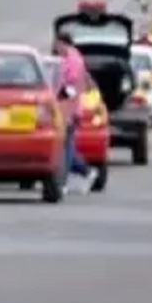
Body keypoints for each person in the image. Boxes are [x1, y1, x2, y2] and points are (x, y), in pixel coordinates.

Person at [52, 33, 98, 194]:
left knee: (66, 148)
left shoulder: (73, 60)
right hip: (67, 108)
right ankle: (86, 172)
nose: (56, 48)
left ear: (64, 43)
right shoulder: (71, 59)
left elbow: (70, 87)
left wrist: (60, 100)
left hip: (69, 110)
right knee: (66, 147)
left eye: (57, 44)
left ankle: (64, 182)